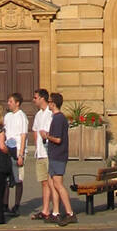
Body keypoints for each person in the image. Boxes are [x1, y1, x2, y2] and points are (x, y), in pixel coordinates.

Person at [41, 92, 76, 224]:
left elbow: (58, 139)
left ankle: (70, 212)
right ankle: (55, 212)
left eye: (49, 101)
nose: (48, 103)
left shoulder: (58, 118)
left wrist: (46, 136)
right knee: (51, 183)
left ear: (53, 104)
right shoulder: (56, 118)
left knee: (58, 184)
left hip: (58, 155)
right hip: (54, 155)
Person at [2, 92, 28, 217]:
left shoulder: (21, 116)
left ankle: (17, 204)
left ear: (17, 103)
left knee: (18, 179)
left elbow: (23, 135)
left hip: (17, 150)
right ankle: (5, 204)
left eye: (11, 101)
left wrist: (21, 155)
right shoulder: (7, 116)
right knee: (6, 179)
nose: (9, 103)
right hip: (8, 148)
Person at [29, 88, 53, 221]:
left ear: (42, 98)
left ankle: (55, 210)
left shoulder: (51, 114)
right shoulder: (38, 115)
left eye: (35, 97)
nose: (34, 100)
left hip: (49, 152)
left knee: (52, 182)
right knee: (44, 182)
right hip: (40, 153)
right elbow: (35, 131)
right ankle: (45, 210)